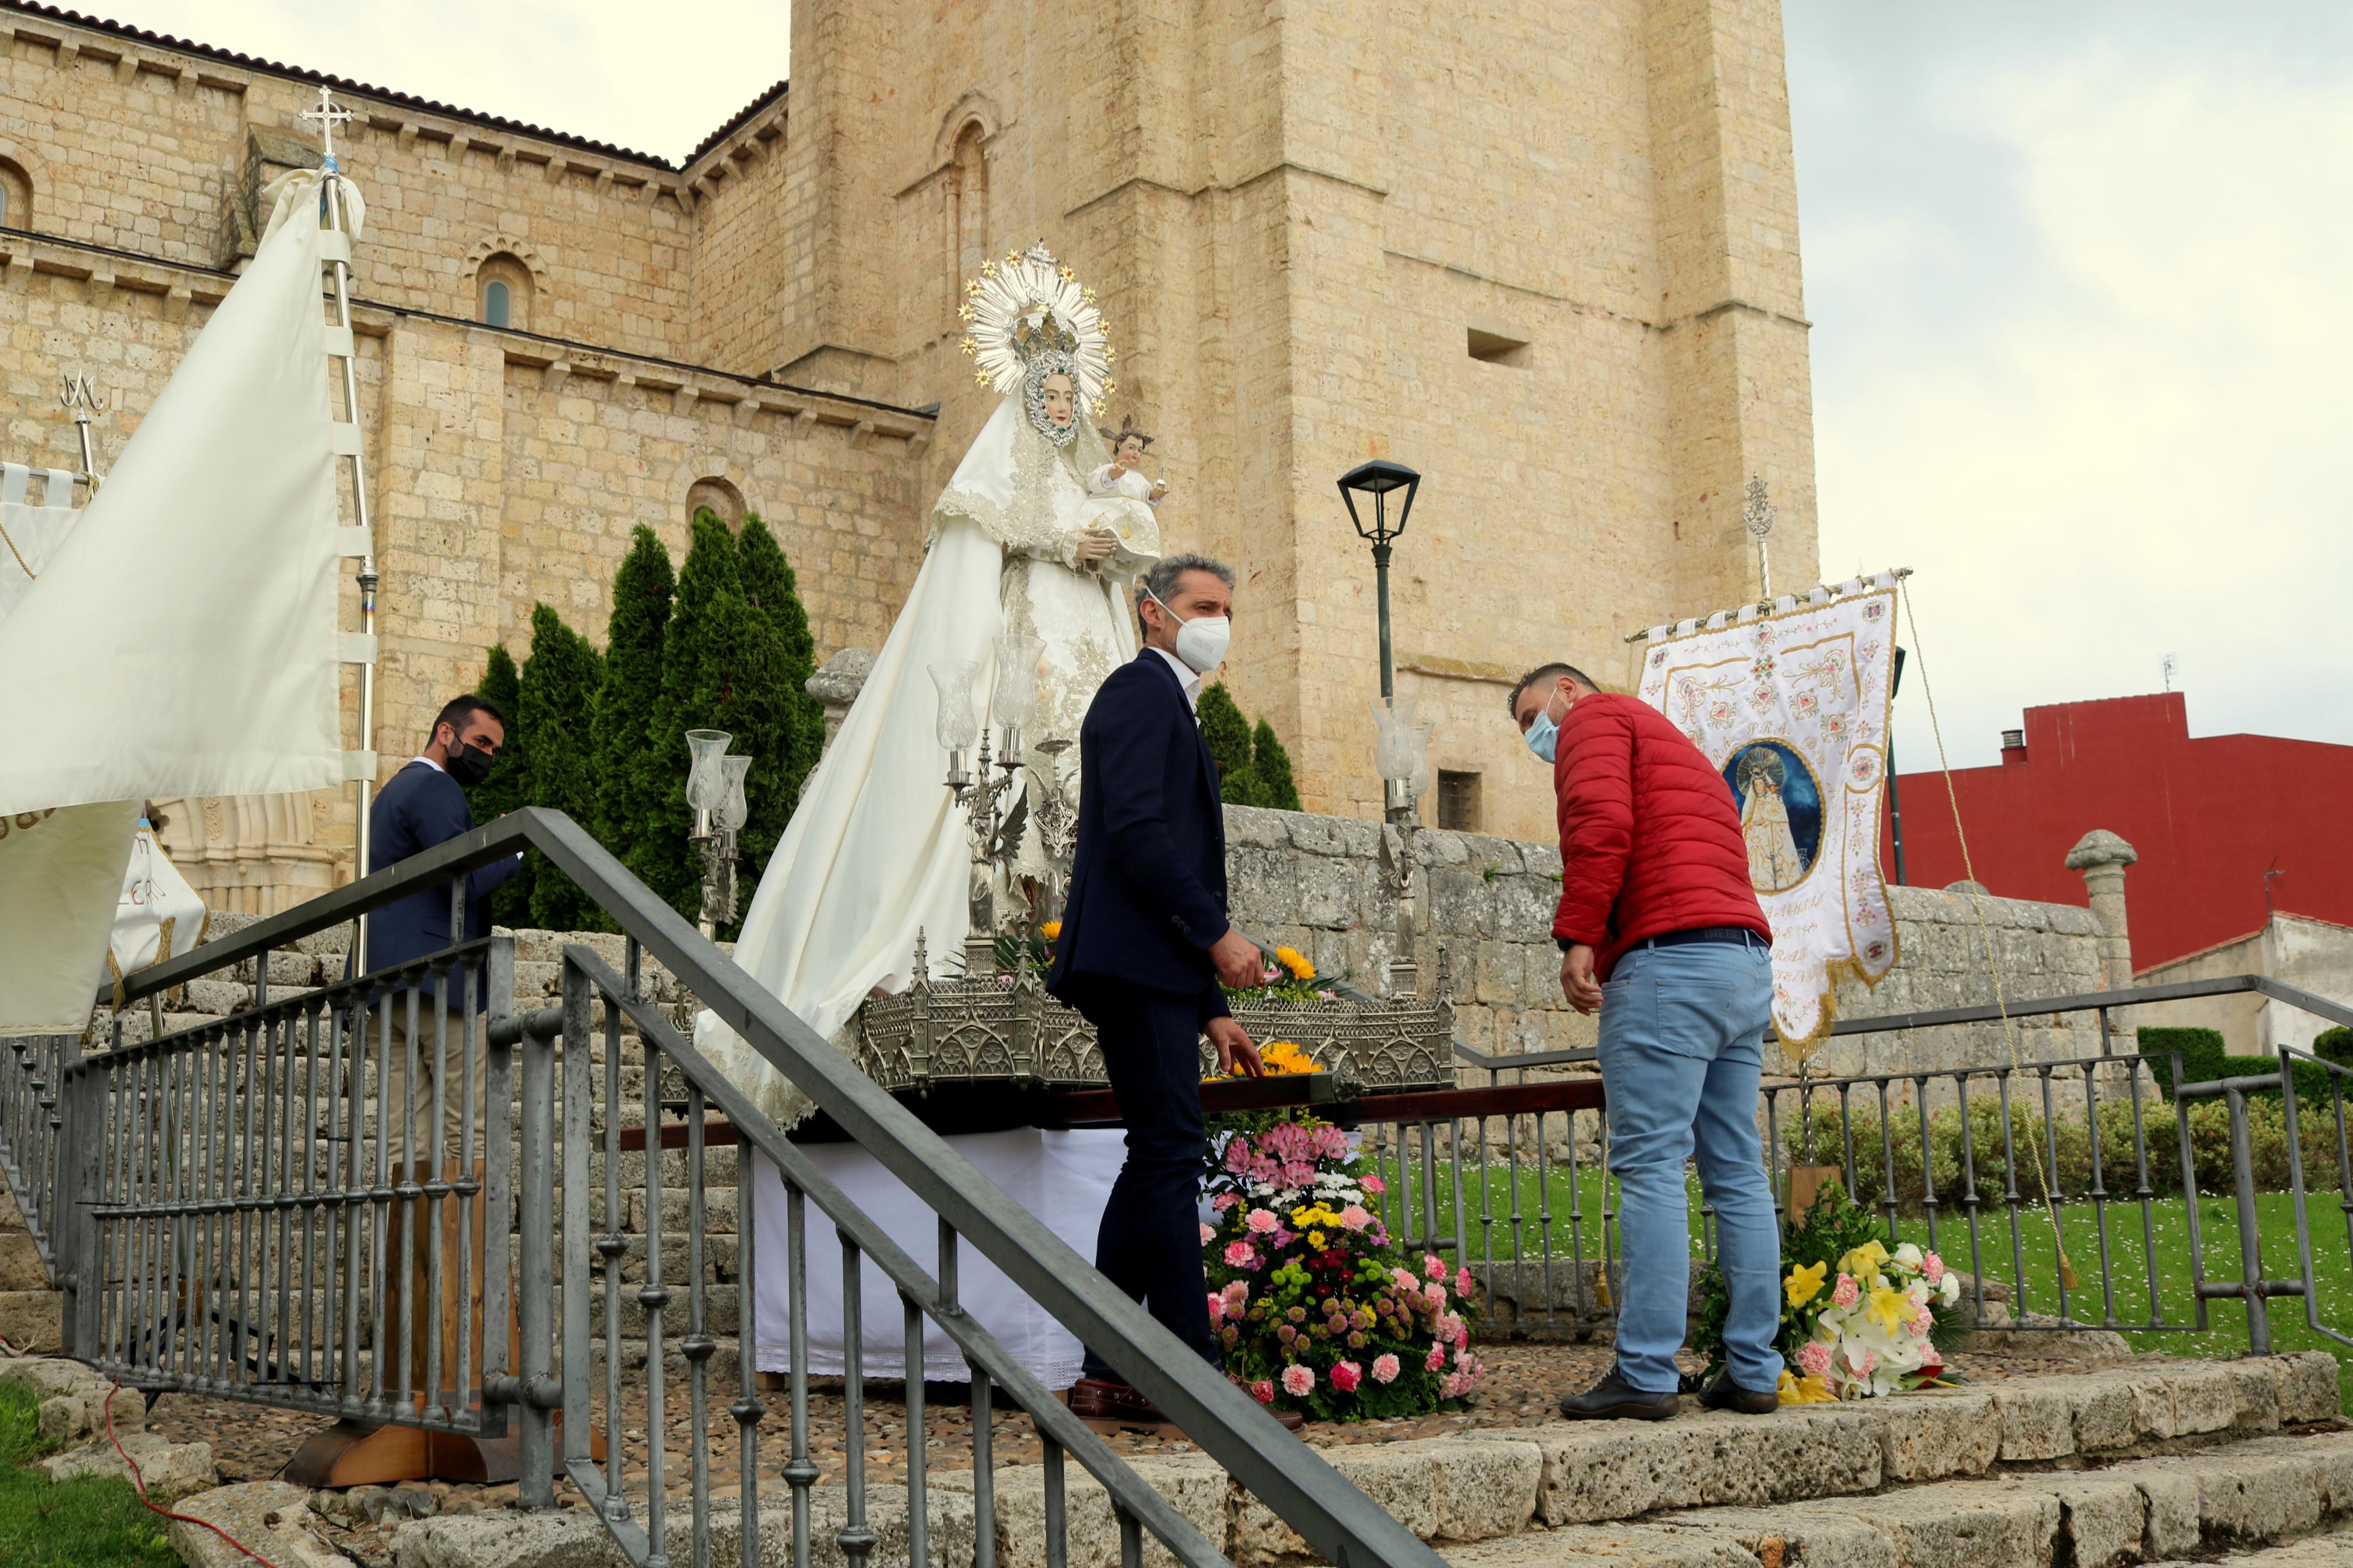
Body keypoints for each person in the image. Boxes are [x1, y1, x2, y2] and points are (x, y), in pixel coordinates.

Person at [1047, 554, 1297, 1432]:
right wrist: (1217, 938)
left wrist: (1209, 1006)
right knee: (1167, 1151)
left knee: (1156, 1151)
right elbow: (1139, 835)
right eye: (1202, 606)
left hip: (1157, 968)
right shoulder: (1136, 690)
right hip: (1133, 960)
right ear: (1150, 612)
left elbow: (1169, 851)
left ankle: (1107, 1367)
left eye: (1227, 608)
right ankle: (1189, 1372)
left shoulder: (1171, 703)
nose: (1217, 622)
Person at [1509, 662, 1782, 1419]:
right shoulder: (1672, 743)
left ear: (1566, 689)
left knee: (1652, 1165)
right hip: (1743, 960)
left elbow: (1599, 825)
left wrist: (1577, 938)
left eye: (1532, 715)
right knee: (1735, 1169)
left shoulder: (1593, 721)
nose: (1535, 737)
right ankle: (1753, 1366)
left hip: (1669, 964)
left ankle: (1646, 1371)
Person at [363, 692, 522, 1408]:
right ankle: (462, 1294)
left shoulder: (392, 789)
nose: (486, 756)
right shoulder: (433, 786)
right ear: (445, 734)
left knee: (409, 1142)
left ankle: (414, 1301)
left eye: (494, 748)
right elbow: (464, 872)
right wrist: (515, 848)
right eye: (479, 742)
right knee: (464, 1135)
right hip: (439, 980)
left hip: (389, 983)